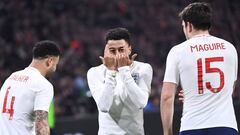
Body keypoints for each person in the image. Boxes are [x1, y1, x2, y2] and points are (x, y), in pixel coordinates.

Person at [160, 2, 238, 135]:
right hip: (225, 124)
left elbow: (167, 97)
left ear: (188, 25)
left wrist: (167, 133)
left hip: (192, 126)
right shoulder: (229, 48)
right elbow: (229, 89)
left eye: (183, 26)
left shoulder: (178, 51)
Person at [87, 27, 153, 135]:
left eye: (121, 50)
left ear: (130, 49)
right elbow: (104, 106)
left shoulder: (143, 69)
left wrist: (124, 70)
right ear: (106, 51)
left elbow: (141, 103)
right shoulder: (94, 72)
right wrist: (111, 71)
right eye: (112, 51)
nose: (117, 54)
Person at [0, 40, 61, 135]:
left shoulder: (11, 77)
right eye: (55, 65)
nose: (55, 69)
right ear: (50, 61)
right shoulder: (43, 85)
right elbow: (41, 125)